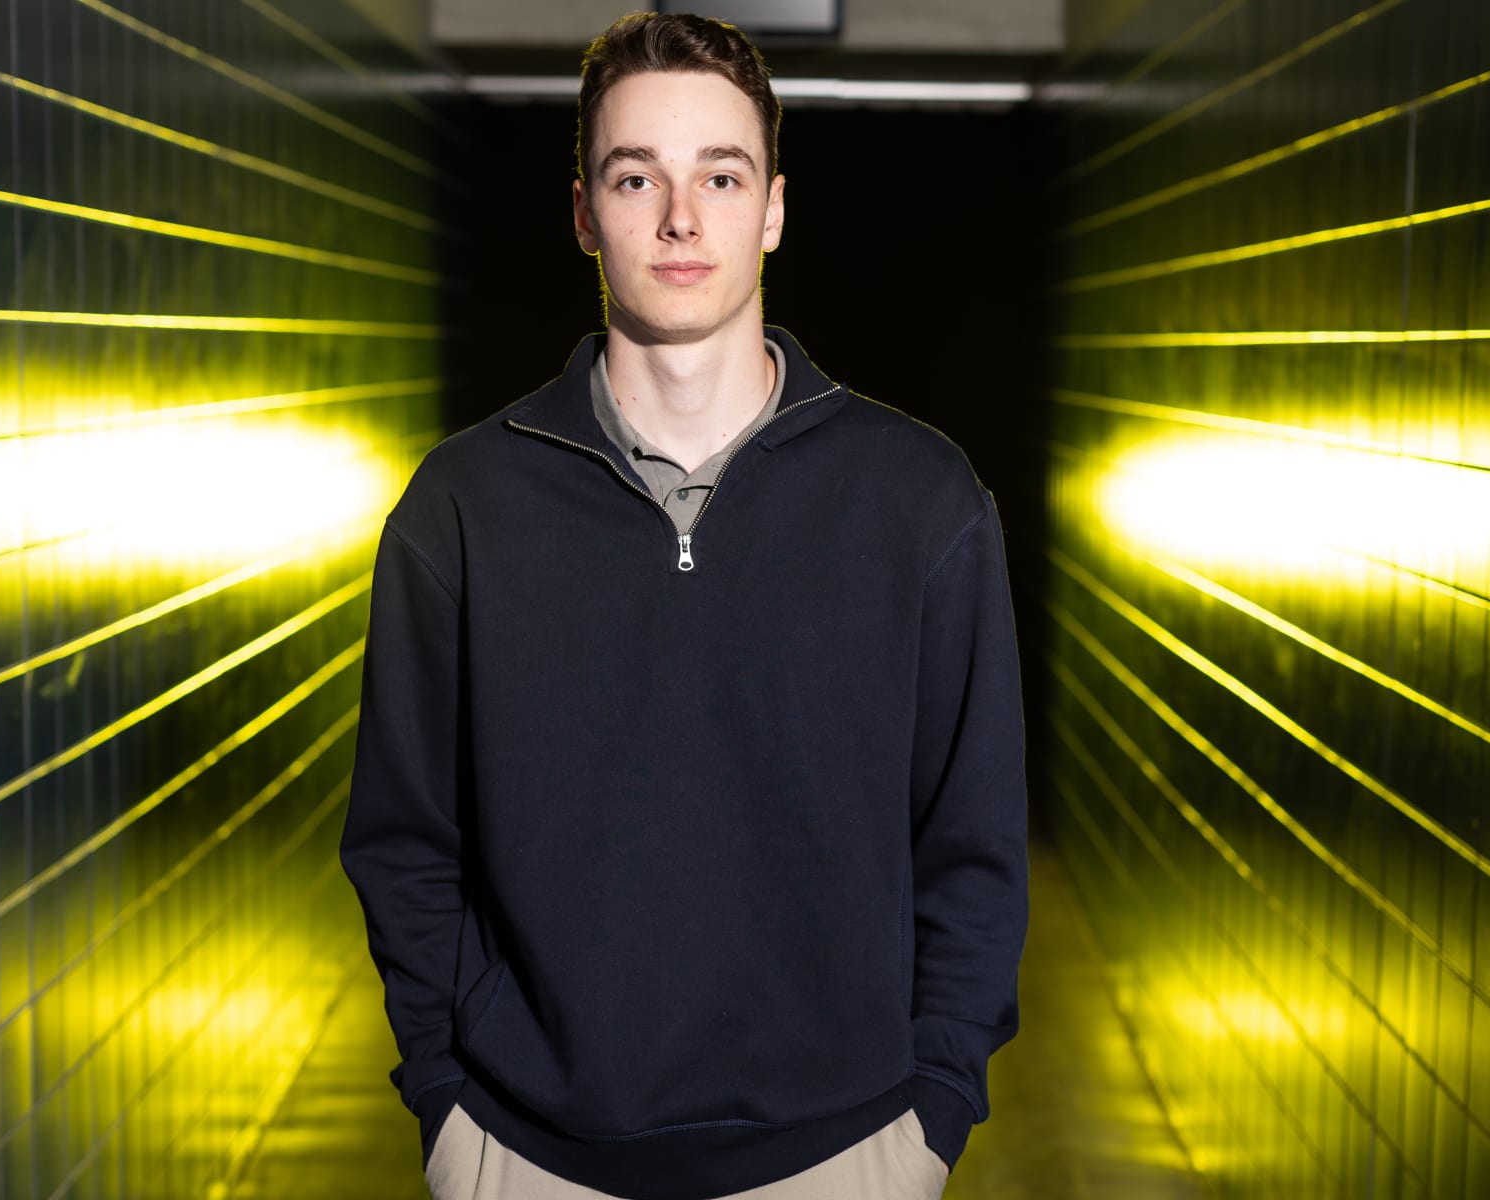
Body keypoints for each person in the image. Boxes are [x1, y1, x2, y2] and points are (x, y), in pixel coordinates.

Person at [339, 11, 1029, 1200]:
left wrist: (933, 1117)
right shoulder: (464, 506)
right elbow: (406, 840)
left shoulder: (921, 501)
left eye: (720, 173)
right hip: (528, 1156)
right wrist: (451, 1114)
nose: (679, 216)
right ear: (581, 213)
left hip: (846, 1154)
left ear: (771, 207)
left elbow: (971, 850)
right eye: (634, 175)